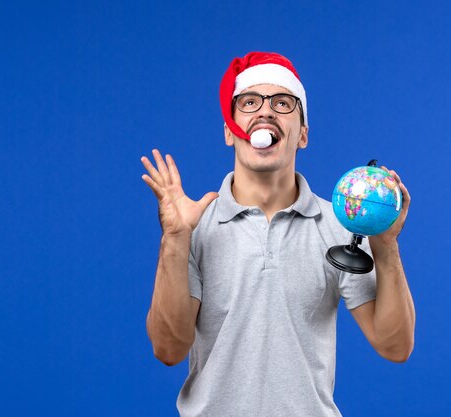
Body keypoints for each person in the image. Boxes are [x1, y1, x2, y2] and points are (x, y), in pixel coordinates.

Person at [141, 52, 415, 417]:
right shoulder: (196, 226)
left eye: (283, 103)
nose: (266, 111)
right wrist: (175, 238)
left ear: (302, 134)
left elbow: (395, 346)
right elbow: (168, 349)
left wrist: (386, 246)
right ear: (229, 130)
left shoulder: (341, 224)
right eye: (250, 102)